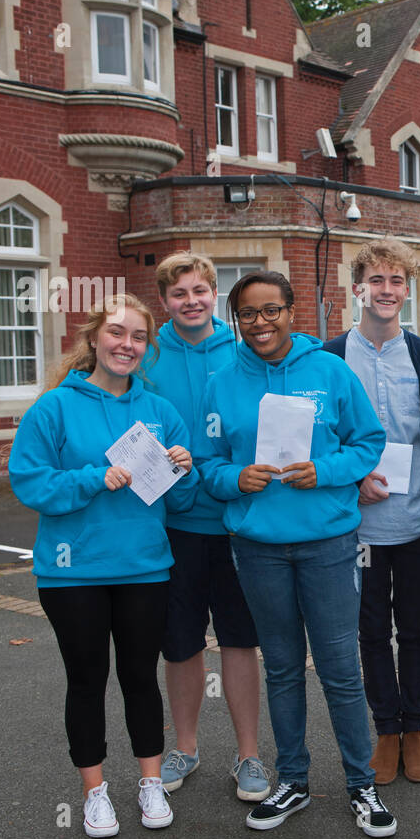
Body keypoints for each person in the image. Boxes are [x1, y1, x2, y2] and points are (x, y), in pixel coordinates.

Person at [199, 270, 398, 838]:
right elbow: (209, 464)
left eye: (271, 310)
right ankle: (294, 782)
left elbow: (368, 442)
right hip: (258, 547)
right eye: (248, 314)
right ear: (235, 320)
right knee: (283, 668)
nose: (260, 323)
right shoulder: (221, 382)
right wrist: (238, 477)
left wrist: (326, 470)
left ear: (291, 312)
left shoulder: (329, 371)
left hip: (328, 543)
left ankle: (361, 785)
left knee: (339, 668)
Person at [9, 294, 199, 838]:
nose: (127, 345)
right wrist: (97, 477)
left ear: (147, 348)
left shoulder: (160, 412)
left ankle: (150, 782)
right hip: (73, 575)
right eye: (117, 333)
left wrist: (185, 471)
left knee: (140, 678)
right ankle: (95, 793)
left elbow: (180, 505)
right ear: (93, 338)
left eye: (138, 337)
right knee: (87, 681)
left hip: (144, 569)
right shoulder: (55, 407)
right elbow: (30, 482)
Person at [142, 252, 266, 803]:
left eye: (199, 291)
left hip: (239, 521)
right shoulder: (147, 353)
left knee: (240, 641)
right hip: (173, 523)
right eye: (178, 294)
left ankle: (249, 756)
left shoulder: (244, 349)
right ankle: (185, 747)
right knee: (181, 644)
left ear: (214, 293)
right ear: (164, 301)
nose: (190, 301)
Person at [324, 238, 420, 785]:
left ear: (408, 289)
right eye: (377, 280)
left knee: (413, 629)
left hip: (416, 520)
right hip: (356, 525)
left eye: (397, 281)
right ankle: (386, 730)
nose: (387, 290)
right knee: (370, 630)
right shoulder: (328, 357)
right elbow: (317, 442)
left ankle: (415, 726)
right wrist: (351, 485)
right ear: (358, 289)